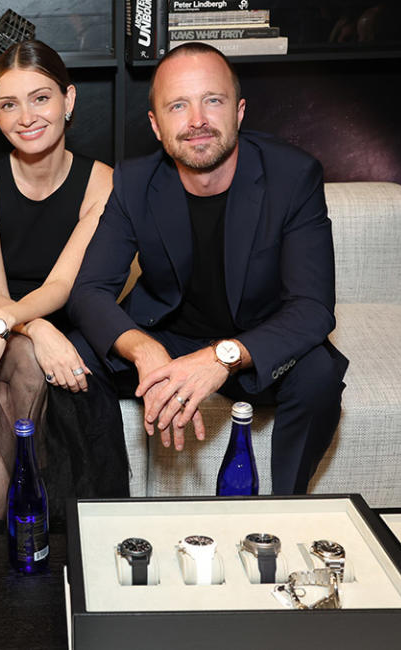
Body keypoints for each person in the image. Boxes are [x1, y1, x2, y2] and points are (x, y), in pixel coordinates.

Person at [67, 42, 349, 495]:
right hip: (170, 335)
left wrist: (222, 357)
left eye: (211, 100)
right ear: (157, 127)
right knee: (74, 357)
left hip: (258, 338)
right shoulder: (135, 182)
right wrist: (143, 351)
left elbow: (313, 308)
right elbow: (90, 291)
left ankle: (286, 508)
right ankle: (103, 505)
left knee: (319, 374)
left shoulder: (292, 176)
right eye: (179, 105)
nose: (196, 120)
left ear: (239, 112)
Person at [0, 40, 129, 534]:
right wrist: (24, 329)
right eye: (9, 104)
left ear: (68, 100)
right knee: (26, 367)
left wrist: (31, 328)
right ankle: (12, 543)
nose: (26, 116)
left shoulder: (103, 183)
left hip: (59, 318)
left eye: (41, 98)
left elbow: (61, 284)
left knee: (33, 373)